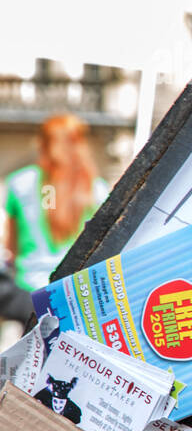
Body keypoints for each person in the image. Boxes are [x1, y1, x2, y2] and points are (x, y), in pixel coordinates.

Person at [3, 114, 109, 302]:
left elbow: (11, 247)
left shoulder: (20, 183)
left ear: (41, 143)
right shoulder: (97, 190)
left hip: (28, 292)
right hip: (76, 292)